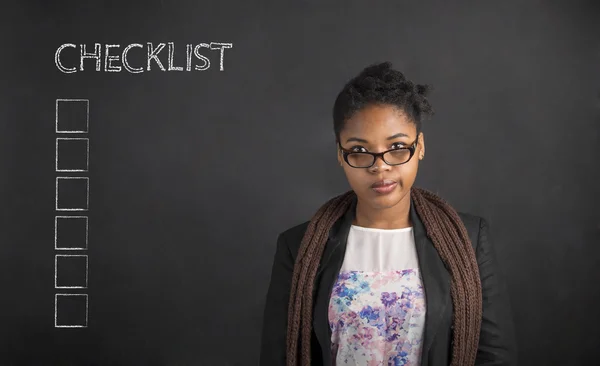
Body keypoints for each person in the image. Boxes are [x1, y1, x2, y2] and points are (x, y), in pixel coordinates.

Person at [259, 62, 517, 366]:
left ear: (419, 146)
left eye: (397, 147)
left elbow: (495, 357)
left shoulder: (469, 239)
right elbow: (279, 357)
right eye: (359, 150)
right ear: (341, 155)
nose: (379, 166)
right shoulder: (298, 247)